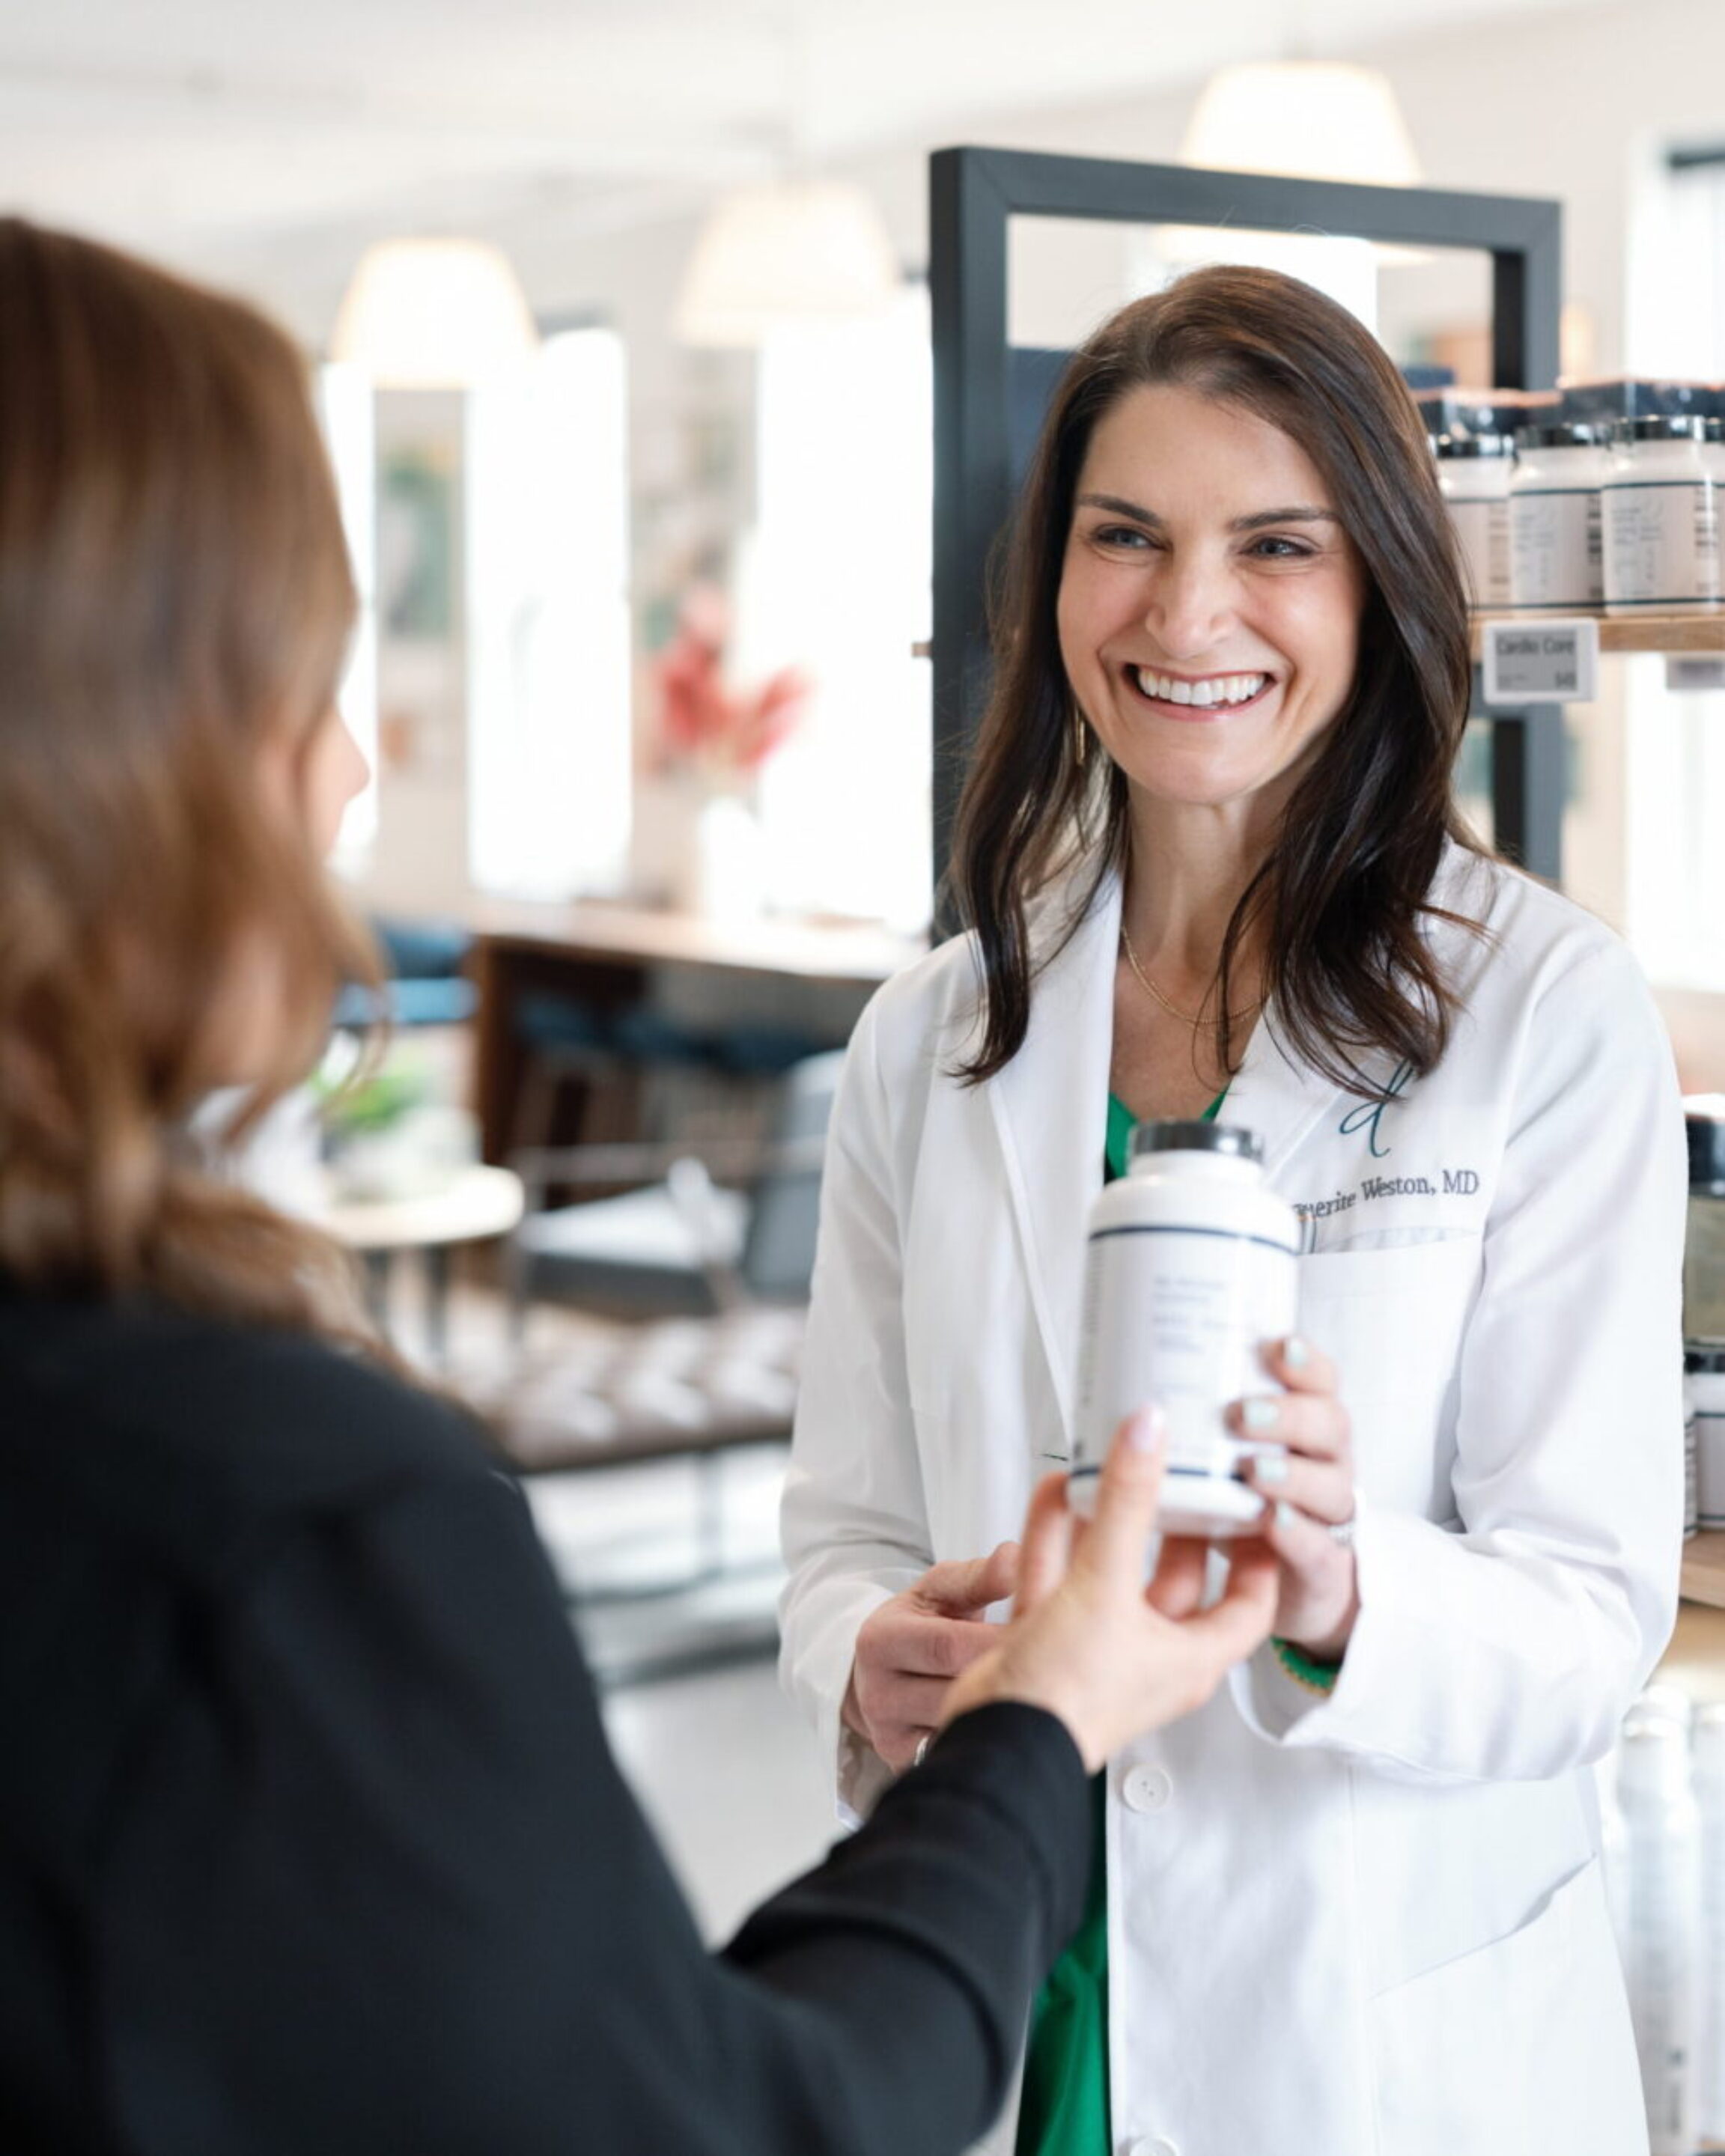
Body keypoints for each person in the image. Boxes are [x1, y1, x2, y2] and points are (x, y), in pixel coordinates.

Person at [0, 217, 1283, 2156]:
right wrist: (1035, 1717)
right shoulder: (290, 1529)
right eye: (304, 685)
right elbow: (730, 2121)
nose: (349, 775)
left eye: (1275, 544)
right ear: (117, 766)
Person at [779, 264, 1688, 2156]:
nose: (1187, 615)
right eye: (1125, 537)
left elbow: (1589, 1620)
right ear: (1053, 580)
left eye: (1276, 545)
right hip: (1030, 1991)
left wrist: (1340, 1582)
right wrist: (866, 1658)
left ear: (1378, 587)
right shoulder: (931, 1035)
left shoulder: (1542, 1010)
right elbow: (848, 1528)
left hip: (1372, 2045)